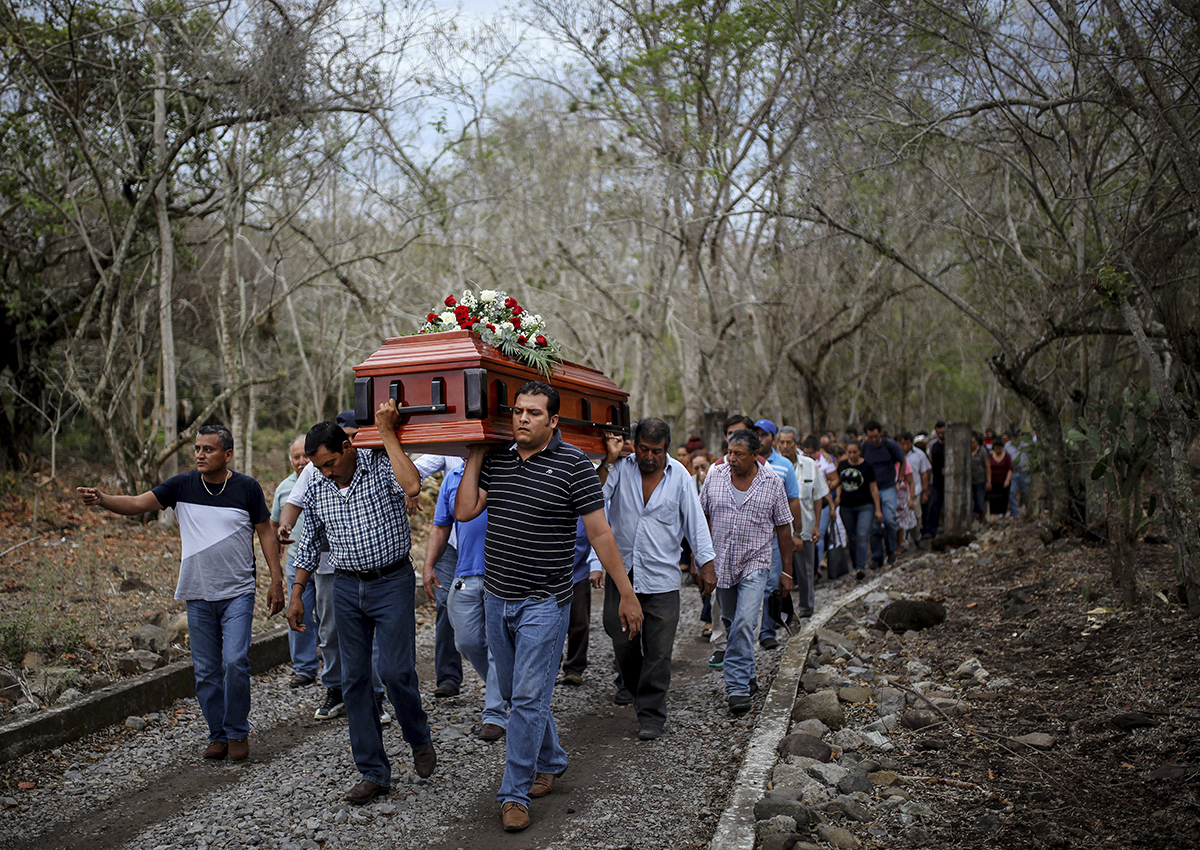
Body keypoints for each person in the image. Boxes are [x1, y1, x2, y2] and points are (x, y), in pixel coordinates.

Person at [454, 380, 643, 833]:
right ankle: (552, 759)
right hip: (497, 597)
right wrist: (477, 451)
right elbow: (463, 512)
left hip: (545, 602)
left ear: (554, 420)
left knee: (523, 697)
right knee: (528, 694)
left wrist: (627, 593)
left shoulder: (575, 466)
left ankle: (513, 793)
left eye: (533, 413)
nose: (522, 418)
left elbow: (600, 534)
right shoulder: (497, 461)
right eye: (517, 410)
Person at [78, 425, 284, 761]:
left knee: (234, 662)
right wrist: (102, 499)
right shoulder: (181, 485)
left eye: (209, 449)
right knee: (205, 670)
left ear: (227, 455)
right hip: (198, 593)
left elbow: (266, 534)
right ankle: (217, 734)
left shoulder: (246, 488)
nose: (200, 454)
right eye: (197, 449)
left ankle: (237, 732)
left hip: (238, 592)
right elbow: (135, 503)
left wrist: (276, 580)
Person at [285, 402, 435, 804]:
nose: (326, 472)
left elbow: (413, 486)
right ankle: (373, 771)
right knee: (354, 681)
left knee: (395, 670)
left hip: (391, 582)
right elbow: (310, 542)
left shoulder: (379, 463)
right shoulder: (318, 485)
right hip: (347, 588)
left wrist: (387, 433)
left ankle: (418, 737)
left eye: (331, 463)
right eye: (319, 467)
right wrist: (297, 592)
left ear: (349, 447)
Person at [598, 417, 716, 740]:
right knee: (618, 633)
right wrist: (609, 459)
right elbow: (594, 496)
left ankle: (651, 713)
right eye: (644, 450)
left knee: (660, 650)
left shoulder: (679, 476)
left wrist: (705, 562)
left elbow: (694, 520)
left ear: (667, 449)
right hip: (623, 572)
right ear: (634, 445)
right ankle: (636, 687)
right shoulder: (621, 468)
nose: (649, 457)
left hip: (663, 576)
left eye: (657, 451)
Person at [699, 428, 794, 714]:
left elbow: (783, 528)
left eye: (738, 454)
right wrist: (700, 561)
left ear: (755, 455)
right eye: (729, 451)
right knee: (730, 621)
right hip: (723, 564)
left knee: (744, 622)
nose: (731, 458)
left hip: (756, 563)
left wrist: (787, 572)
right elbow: (700, 517)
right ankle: (749, 672)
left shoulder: (772, 483)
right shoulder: (714, 477)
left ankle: (737, 686)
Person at [423, 458, 508, 741]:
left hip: (502, 573)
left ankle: (495, 713)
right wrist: (428, 565)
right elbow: (440, 526)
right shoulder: (454, 476)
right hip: (466, 571)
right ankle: (506, 690)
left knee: (498, 644)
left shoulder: (505, 467)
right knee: (466, 641)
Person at [271, 435, 320, 688]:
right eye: (295, 457)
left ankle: (333, 661)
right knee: (299, 614)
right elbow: (274, 521)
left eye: (305, 456)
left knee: (328, 615)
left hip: (326, 561)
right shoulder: (284, 488)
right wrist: (277, 542)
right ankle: (304, 667)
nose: (301, 462)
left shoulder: (325, 477)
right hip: (295, 562)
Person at [751, 419, 803, 649]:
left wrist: (796, 532)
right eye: (757, 434)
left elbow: (793, 500)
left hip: (773, 534)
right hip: (750, 534)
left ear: (773, 438)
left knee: (772, 584)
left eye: (764, 435)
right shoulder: (745, 462)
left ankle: (767, 632)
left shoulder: (783, 466)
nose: (760, 438)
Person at [776, 428, 827, 618]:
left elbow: (818, 496)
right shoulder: (772, 466)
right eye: (782, 442)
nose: (785, 446)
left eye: (789, 442)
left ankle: (807, 607)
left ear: (796, 443)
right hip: (780, 530)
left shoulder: (809, 465)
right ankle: (781, 610)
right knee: (779, 571)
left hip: (804, 526)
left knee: (806, 570)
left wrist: (816, 525)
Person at [859, 421, 910, 568]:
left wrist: (899, 480)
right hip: (871, 489)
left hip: (888, 487)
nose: (873, 440)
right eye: (870, 437)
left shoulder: (890, 445)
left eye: (875, 436)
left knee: (890, 520)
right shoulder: (865, 447)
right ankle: (877, 556)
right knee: (874, 525)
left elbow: (903, 460)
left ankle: (892, 549)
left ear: (880, 433)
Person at [560, 518, 603, 687]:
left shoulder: (585, 511)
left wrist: (595, 566)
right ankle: (550, 665)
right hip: (550, 574)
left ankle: (574, 668)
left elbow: (597, 536)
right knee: (548, 622)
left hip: (579, 572)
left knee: (579, 621)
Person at [837, 441, 881, 580]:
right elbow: (839, 483)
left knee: (862, 534)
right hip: (846, 506)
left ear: (859, 452)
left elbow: (873, 487)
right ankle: (856, 564)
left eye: (854, 452)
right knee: (852, 537)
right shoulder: (843, 465)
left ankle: (861, 567)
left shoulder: (867, 466)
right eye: (849, 452)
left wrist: (878, 509)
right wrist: (837, 497)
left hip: (865, 505)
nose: (852, 455)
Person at [899, 431, 931, 550]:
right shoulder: (896, 455)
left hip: (915, 490)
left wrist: (925, 490)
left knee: (916, 516)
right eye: (903, 444)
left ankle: (917, 537)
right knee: (901, 519)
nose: (905, 446)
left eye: (907, 444)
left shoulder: (919, 455)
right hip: (901, 492)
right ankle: (902, 543)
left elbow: (924, 473)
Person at [924, 421, 946, 538]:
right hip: (936, 480)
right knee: (934, 506)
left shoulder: (952, 444)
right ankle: (932, 530)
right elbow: (930, 462)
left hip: (949, 481)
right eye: (939, 433)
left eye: (943, 433)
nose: (941, 435)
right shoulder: (933, 445)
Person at [1006, 428, 1031, 518]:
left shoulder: (1026, 445)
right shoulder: (1007, 446)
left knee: (1026, 492)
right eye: (1014, 436)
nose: (1015, 438)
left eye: (1017, 436)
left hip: (1024, 471)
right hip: (1013, 472)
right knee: (1011, 491)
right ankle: (1014, 513)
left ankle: (1028, 511)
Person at [987, 434, 1013, 516]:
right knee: (993, 499)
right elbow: (988, 468)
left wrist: (1007, 480)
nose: (998, 449)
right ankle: (992, 516)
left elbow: (1010, 469)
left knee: (1004, 499)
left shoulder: (1007, 456)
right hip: (993, 481)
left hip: (1003, 481)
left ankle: (1003, 515)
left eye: (1000, 447)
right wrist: (988, 481)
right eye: (996, 447)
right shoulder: (990, 456)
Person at [970, 431, 989, 522]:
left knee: (981, 503)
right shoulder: (966, 452)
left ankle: (982, 521)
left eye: (973, 442)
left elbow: (988, 466)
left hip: (980, 481)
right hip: (969, 481)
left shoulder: (982, 451)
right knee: (970, 504)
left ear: (977, 442)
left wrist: (989, 481)